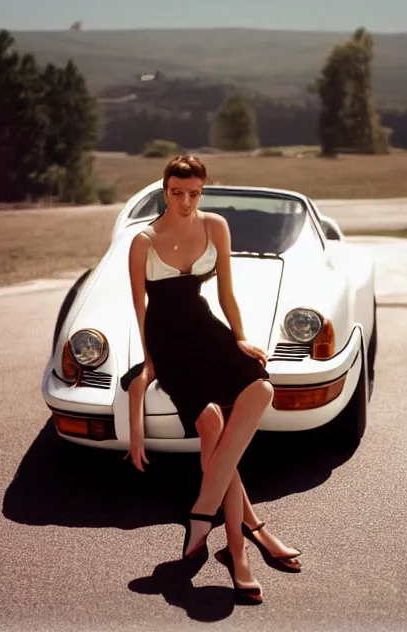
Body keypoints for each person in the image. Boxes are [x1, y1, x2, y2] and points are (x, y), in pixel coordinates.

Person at [125, 155, 301, 604]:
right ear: (164, 191)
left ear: (203, 191)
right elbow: (141, 311)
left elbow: (225, 293)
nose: (186, 202)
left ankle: (204, 511)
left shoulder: (216, 227)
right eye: (177, 193)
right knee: (210, 426)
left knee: (261, 387)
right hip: (168, 343)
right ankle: (243, 545)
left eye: (194, 193)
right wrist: (149, 366)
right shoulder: (142, 241)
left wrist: (240, 337)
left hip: (208, 331)